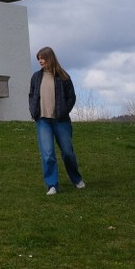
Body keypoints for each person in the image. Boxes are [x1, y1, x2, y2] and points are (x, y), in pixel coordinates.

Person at [28, 47, 84, 195]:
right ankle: (52, 185)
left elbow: (71, 98)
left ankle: (76, 179)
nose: (40, 61)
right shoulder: (35, 77)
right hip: (43, 122)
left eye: (42, 58)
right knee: (47, 154)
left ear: (50, 58)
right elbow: (32, 95)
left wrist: (63, 112)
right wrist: (33, 112)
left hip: (61, 121)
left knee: (67, 153)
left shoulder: (63, 77)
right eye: (38, 58)